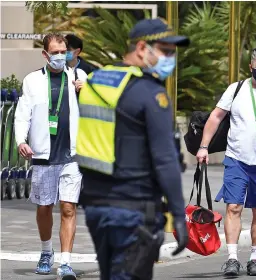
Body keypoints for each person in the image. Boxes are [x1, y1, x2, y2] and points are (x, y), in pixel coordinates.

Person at [76, 18, 190, 280]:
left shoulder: (95, 82)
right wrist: (179, 217)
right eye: (165, 51)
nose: (170, 58)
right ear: (141, 48)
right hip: (134, 210)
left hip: (96, 206)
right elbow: (165, 161)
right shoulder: (150, 93)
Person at [196, 46, 256, 277]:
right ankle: (231, 259)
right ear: (250, 67)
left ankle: (255, 259)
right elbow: (216, 117)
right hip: (237, 159)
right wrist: (203, 146)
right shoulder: (236, 90)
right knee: (233, 207)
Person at [14, 33, 88, 279]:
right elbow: (22, 113)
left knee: (68, 207)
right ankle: (47, 251)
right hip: (44, 154)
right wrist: (21, 141)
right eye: (54, 52)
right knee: (44, 207)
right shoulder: (32, 80)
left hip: (72, 155)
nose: (60, 56)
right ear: (45, 54)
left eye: (63, 51)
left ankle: (65, 263)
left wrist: (86, 93)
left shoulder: (78, 77)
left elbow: (97, 109)